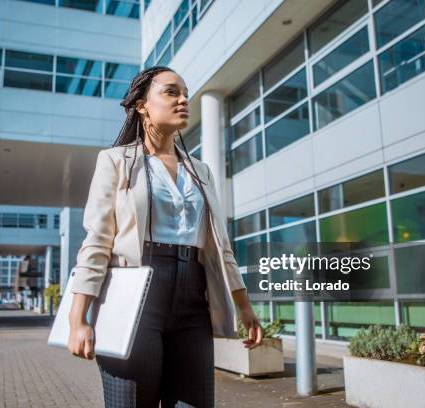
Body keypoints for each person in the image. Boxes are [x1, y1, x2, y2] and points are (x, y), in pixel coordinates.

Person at [67, 66, 263, 407]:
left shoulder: (200, 171)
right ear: (143, 105)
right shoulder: (115, 161)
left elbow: (220, 245)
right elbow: (97, 241)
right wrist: (77, 319)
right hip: (134, 295)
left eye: (185, 92)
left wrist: (243, 305)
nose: (183, 99)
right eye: (171, 92)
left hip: (193, 297)